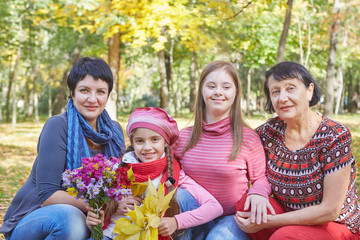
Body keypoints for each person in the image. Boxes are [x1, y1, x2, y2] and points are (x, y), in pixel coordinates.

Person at [0, 57, 126, 240]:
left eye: (100, 91)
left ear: (108, 95)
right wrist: (104, 206)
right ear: (72, 93)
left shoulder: (114, 131)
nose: (93, 99)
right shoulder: (58, 126)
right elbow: (48, 195)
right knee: (71, 221)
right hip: (37, 219)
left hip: (92, 219)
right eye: (84, 90)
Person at [235, 61, 360, 239]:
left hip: (335, 225)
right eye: (275, 91)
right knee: (247, 206)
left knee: (285, 236)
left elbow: (330, 210)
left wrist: (269, 221)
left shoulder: (334, 135)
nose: (282, 98)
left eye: (290, 88)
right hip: (288, 217)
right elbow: (234, 143)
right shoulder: (269, 132)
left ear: (309, 91)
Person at [86, 107, 224, 240]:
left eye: (154, 139)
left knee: (181, 195)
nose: (147, 147)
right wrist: (109, 210)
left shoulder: (175, 175)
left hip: (154, 235)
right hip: (115, 234)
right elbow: (98, 214)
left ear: (165, 142)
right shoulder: (117, 170)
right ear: (132, 143)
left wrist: (176, 221)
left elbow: (215, 207)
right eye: (140, 141)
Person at [174, 60, 274, 240]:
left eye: (226, 87)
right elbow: (169, 170)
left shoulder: (248, 138)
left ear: (235, 93)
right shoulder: (184, 137)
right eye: (211, 86)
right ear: (202, 91)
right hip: (196, 214)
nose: (218, 92)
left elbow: (260, 178)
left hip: (231, 218)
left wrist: (259, 192)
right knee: (181, 194)